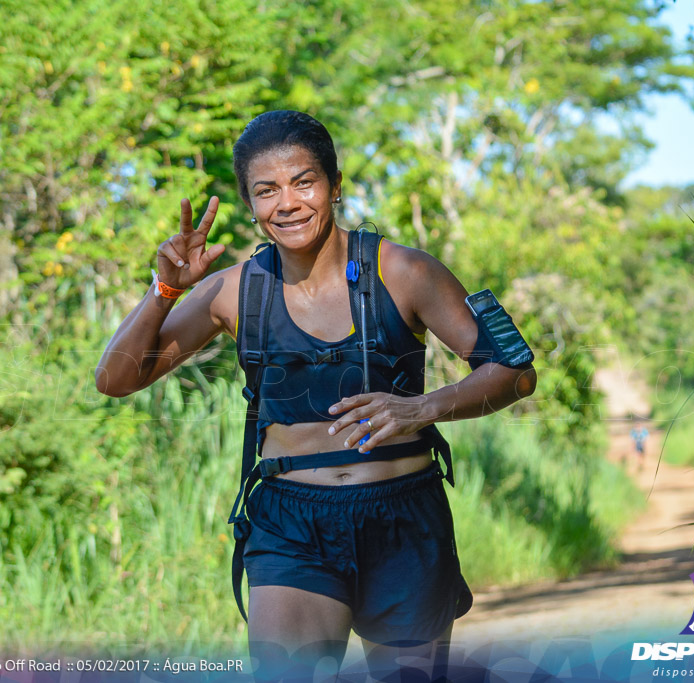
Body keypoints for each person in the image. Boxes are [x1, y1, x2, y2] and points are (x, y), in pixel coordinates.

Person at [95, 110, 537, 681]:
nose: (287, 203)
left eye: (304, 182)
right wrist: (166, 289)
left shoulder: (403, 271)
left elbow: (516, 372)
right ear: (250, 204)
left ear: (334, 185)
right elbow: (117, 379)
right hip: (291, 525)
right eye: (266, 190)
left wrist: (422, 408)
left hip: (404, 516)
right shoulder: (233, 291)